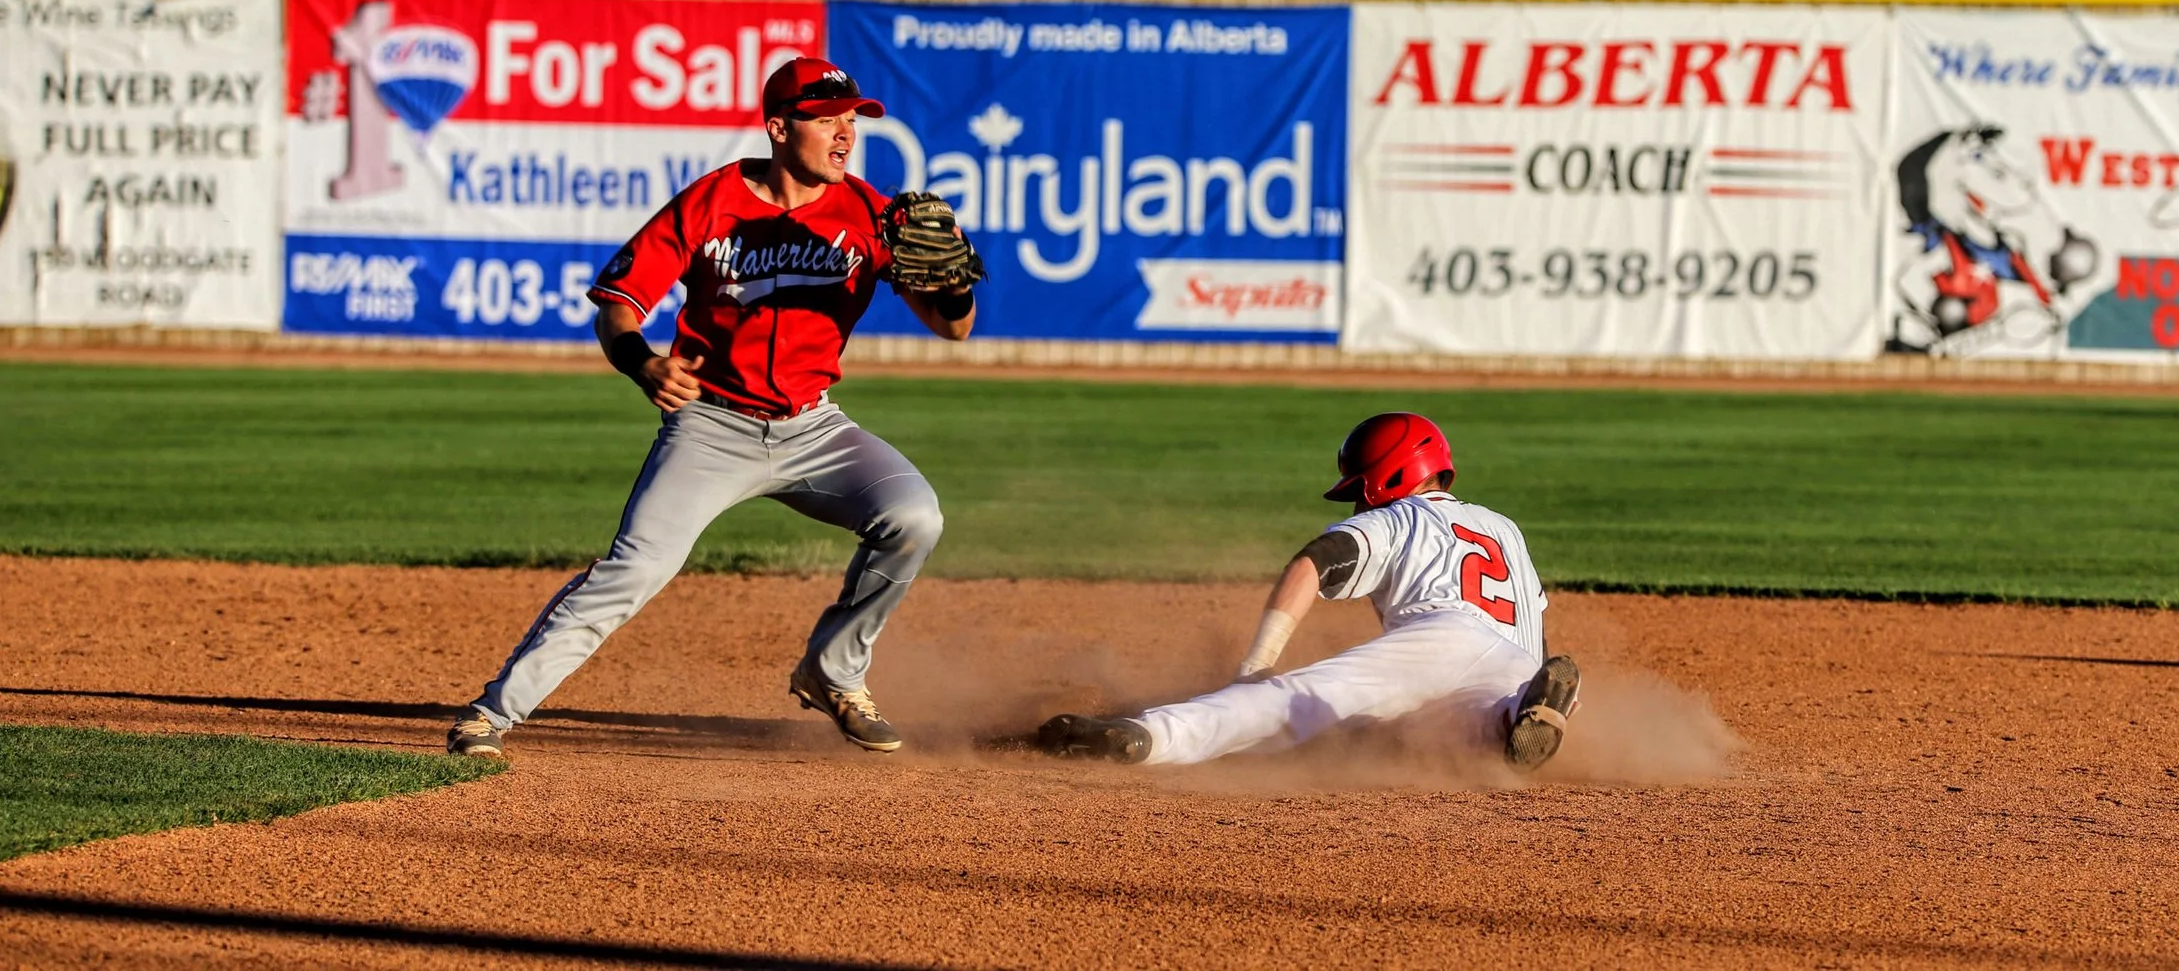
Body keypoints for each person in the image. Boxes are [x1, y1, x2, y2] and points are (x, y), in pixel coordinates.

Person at [448, 57, 983, 759]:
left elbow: (953, 326)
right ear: (778, 128)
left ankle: (834, 671)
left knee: (915, 516)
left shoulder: (868, 214)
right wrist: (643, 364)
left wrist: (952, 284)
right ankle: (493, 712)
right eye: (829, 119)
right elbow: (618, 305)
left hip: (812, 425)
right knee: (633, 569)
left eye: (852, 119)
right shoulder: (713, 201)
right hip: (712, 424)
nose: (846, 132)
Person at [1034, 412, 1581, 771]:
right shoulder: (1504, 527)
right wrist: (1529, 682)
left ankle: (1146, 737)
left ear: (1383, 479)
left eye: (1358, 491)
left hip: (1440, 636)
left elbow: (1311, 565)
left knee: (1286, 703)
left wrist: (1257, 663)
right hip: (1515, 663)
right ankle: (1514, 716)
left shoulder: (1398, 517)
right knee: (1449, 732)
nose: (1357, 505)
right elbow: (1536, 638)